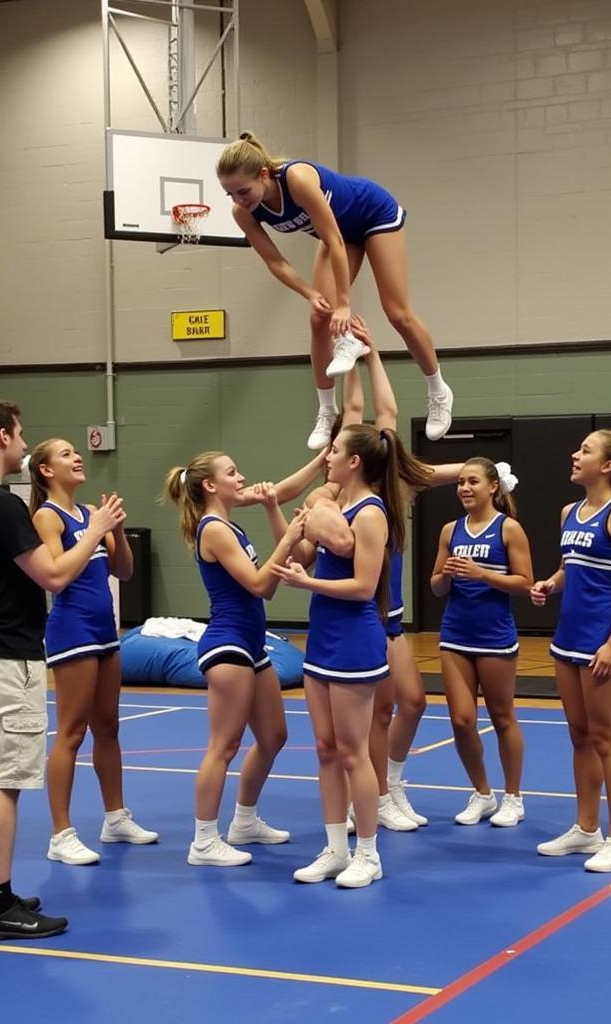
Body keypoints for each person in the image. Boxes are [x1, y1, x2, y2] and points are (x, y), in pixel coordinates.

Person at [0, 397, 124, 941]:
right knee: (5, 782)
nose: (23, 442)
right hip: (3, 656)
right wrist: (97, 529)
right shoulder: (1, 504)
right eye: (19, 434)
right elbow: (54, 576)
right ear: (0, 437)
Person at [303, 321, 460, 831]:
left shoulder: (391, 482)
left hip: (383, 609)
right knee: (381, 708)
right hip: (361, 611)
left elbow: (384, 415)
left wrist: (369, 356)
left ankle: (387, 785)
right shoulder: (336, 493)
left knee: (405, 702)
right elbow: (355, 414)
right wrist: (347, 362)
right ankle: (371, 795)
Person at [216, 132, 454, 449]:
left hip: (373, 213)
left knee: (397, 313)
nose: (239, 200)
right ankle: (327, 410)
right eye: (230, 194)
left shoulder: (297, 179)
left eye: (243, 191)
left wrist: (343, 304)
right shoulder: (244, 213)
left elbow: (334, 241)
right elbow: (275, 261)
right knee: (318, 317)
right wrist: (310, 294)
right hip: (340, 235)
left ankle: (438, 391)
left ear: (262, 174)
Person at [273, 424, 415, 888]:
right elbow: (304, 552)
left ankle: (368, 854)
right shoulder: (338, 508)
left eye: (334, 451)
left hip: (356, 639)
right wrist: (284, 519)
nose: (327, 457)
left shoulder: (371, 513)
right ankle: (335, 849)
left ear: (354, 461)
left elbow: (363, 588)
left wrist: (307, 584)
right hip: (323, 639)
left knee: (355, 754)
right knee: (326, 750)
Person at [164, 453, 308, 867]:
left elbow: (267, 589)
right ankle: (204, 841)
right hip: (227, 645)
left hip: (251, 642)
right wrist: (287, 534)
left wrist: (274, 512)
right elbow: (262, 586)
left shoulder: (231, 527)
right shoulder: (213, 529)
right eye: (231, 473)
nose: (241, 476)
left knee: (274, 735)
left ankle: (244, 821)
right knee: (223, 746)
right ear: (210, 486)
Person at [27, 439, 159, 867]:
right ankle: (60, 833)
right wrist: (98, 531)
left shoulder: (88, 514)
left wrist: (115, 528)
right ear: (46, 471)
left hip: (105, 631)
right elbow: (57, 575)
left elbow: (123, 570)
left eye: (75, 452)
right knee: (71, 731)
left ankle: (115, 817)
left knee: (108, 726)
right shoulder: (47, 516)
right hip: (72, 630)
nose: (76, 457)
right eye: (65, 454)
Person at [530, 431, 611, 873]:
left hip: (604, 642)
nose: (574, 454)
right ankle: (586, 828)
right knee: (579, 736)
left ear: (607, 467)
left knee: (606, 738)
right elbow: (571, 567)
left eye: (585, 450)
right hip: (568, 639)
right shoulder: (570, 513)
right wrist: (550, 583)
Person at [430, 458, 532, 826]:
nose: (464, 488)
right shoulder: (449, 530)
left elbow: (524, 582)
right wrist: (446, 576)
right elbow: (436, 586)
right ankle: (482, 793)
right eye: (459, 482)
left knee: (503, 718)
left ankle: (514, 797)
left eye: (472, 481)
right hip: (455, 634)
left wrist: (481, 574)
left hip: (495, 637)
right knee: (460, 719)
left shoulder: (509, 529)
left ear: (493, 487)